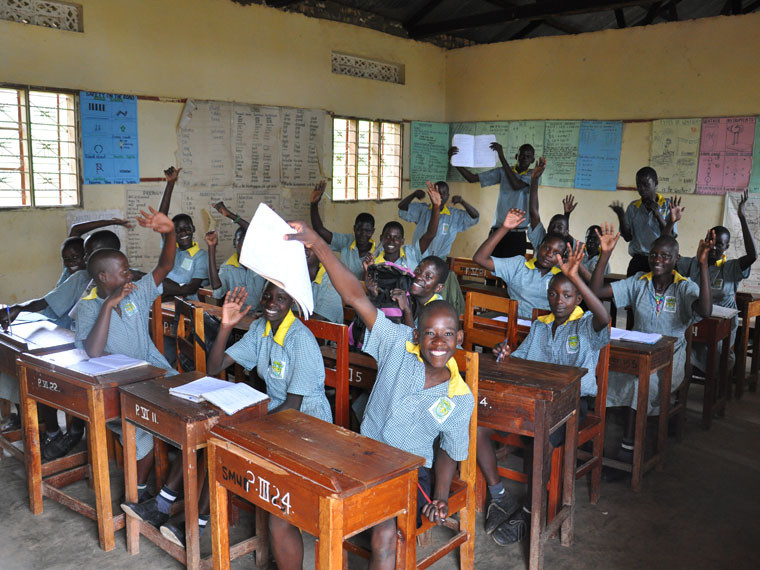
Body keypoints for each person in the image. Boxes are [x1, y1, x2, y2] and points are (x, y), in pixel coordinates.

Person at [285, 220, 474, 570]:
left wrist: (442, 497)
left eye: (447, 335)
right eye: (429, 333)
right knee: (294, 493)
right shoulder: (397, 344)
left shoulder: (460, 396)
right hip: (362, 455)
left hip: (409, 474)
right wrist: (318, 245)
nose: (437, 342)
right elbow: (354, 296)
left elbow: (450, 449)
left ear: (458, 340)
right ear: (415, 334)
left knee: (385, 534)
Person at [481, 242, 610, 545]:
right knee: (479, 424)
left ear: (579, 298)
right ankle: (499, 495)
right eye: (553, 294)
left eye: (567, 295)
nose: (559, 300)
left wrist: (576, 275)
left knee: (544, 439)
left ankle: (529, 511)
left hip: (572, 405)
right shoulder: (541, 326)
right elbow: (520, 361)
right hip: (536, 399)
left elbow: (603, 314)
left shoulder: (587, 326)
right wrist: (505, 353)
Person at [589, 224, 712, 470]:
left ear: (676, 259)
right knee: (600, 377)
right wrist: (605, 254)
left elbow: (705, 311)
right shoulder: (639, 281)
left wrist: (703, 265)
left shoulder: (685, 287)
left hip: (669, 361)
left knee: (637, 384)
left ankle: (628, 449)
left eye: (665, 256)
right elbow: (595, 292)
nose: (658, 260)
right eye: (654, 254)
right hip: (636, 353)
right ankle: (595, 444)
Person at [78, 206, 178, 499]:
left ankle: (174, 484)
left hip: (157, 376)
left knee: (188, 408)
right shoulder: (88, 306)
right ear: (104, 277)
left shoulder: (136, 291)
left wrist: (169, 232)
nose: (130, 273)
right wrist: (108, 305)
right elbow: (94, 351)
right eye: (123, 271)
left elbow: (165, 266)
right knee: (142, 426)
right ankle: (138, 490)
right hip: (119, 388)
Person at [676, 189, 756, 373]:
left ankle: (713, 379)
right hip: (697, 320)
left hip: (722, 326)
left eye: (719, 244)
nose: (713, 247)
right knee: (679, 343)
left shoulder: (731, 268)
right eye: (709, 241)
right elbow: (670, 257)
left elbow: (752, 255)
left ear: (726, 247)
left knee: (718, 358)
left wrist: (742, 217)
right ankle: (684, 377)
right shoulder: (695, 263)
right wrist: (672, 223)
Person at [472, 208, 565, 320]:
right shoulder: (518, 266)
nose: (549, 254)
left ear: (562, 257)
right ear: (539, 246)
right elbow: (479, 258)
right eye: (546, 247)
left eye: (556, 252)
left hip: (545, 331)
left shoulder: (561, 277)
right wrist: (504, 228)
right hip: (515, 326)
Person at [450, 142, 537, 258]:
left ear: (532, 160)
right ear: (517, 157)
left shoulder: (534, 175)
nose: (524, 158)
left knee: (511, 273)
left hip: (517, 234)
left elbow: (516, 184)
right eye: (522, 155)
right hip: (498, 230)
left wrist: (501, 156)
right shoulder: (503, 172)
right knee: (490, 270)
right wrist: (454, 161)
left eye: (528, 156)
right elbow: (472, 178)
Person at [609, 166, 684, 276]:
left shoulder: (668, 206)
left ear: (656, 183)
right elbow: (627, 237)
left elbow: (670, 237)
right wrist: (621, 217)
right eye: (638, 185)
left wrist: (657, 214)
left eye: (646, 185)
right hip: (640, 260)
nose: (642, 189)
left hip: (662, 260)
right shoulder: (633, 207)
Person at [157, 166, 210, 300]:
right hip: (165, 303)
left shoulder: (201, 256)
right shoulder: (171, 248)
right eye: (177, 230)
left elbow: (192, 288)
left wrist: (166, 286)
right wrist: (170, 184)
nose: (183, 232)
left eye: (187, 227)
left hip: (187, 307)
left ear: (193, 229)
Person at [397, 180, 479, 259]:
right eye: (437, 192)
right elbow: (402, 207)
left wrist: (462, 201)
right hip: (418, 257)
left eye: (444, 193)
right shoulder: (423, 209)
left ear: (448, 196)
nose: (440, 196)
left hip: (439, 259)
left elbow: (475, 216)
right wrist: (414, 194)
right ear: (431, 194)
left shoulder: (454, 215)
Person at [310, 180, 375, 279]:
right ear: (354, 228)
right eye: (359, 229)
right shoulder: (347, 242)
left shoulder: (378, 252)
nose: (362, 234)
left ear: (373, 232)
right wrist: (314, 205)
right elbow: (319, 230)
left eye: (367, 231)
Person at [205, 226, 266, 311]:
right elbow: (218, 293)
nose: (245, 245)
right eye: (241, 240)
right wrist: (212, 248)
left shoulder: (262, 265)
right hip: (235, 315)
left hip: (260, 316)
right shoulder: (227, 267)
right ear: (234, 243)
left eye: (249, 241)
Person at [526, 157, 576, 250]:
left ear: (566, 232)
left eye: (559, 227)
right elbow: (533, 212)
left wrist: (567, 215)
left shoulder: (569, 247)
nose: (554, 229)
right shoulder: (541, 238)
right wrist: (534, 179)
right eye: (551, 226)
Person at [393, 256, 450, 329]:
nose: (419, 277)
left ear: (438, 288)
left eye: (428, 276)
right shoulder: (409, 296)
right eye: (418, 271)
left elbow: (414, 339)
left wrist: (407, 310)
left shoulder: (437, 312)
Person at [306, 247, 344, 324]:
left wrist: (289, 316)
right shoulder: (294, 274)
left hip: (326, 333)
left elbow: (323, 320)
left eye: (309, 246)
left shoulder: (332, 277)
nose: (304, 250)